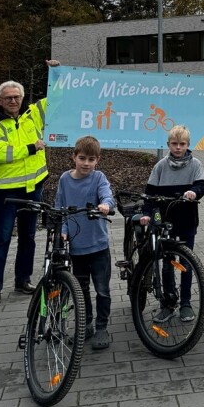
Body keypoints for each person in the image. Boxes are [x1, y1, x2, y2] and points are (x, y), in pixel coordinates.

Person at [0, 80, 48, 305]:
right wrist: (32, 148)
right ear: (0, 101)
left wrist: (55, 71)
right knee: (2, 238)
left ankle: (23, 280)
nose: (13, 101)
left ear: (22, 98)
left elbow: (57, 99)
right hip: (7, 192)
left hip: (33, 188)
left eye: (16, 97)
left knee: (28, 237)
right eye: (8, 97)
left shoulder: (33, 116)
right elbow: (1, 153)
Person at [141, 125, 204, 323]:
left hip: (187, 221)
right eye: (174, 144)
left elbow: (201, 185)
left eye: (182, 144)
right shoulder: (161, 166)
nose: (178, 148)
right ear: (168, 144)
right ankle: (168, 303)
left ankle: (186, 303)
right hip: (166, 221)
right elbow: (149, 193)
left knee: (186, 263)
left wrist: (194, 192)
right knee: (168, 264)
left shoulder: (195, 164)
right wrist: (146, 214)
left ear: (188, 145)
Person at [54, 136, 115, 350]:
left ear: (97, 160)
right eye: (82, 158)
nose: (86, 163)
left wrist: (105, 205)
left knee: (102, 290)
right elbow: (59, 207)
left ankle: (101, 327)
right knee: (81, 290)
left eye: (91, 159)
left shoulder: (99, 178)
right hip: (76, 247)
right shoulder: (64, 179)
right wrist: (62, 231)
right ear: (74, 157)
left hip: (98, 246)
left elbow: (107, 196)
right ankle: (86, 323)